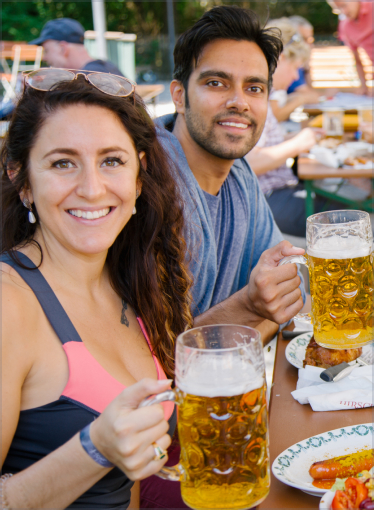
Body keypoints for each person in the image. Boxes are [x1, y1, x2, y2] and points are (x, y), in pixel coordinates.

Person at [0, 69, 193, 508]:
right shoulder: (8, 301)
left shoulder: (133, 280)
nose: (91, 189)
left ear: (139, 177)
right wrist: (94, 448)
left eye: (112, 161)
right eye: (62, 162)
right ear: (23, 179)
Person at [140, 6, 307, 508]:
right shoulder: (147, 191)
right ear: (178, 93)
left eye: (254, 88)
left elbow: (286, 267)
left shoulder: (236, 177)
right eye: (217, 82)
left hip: (240, 416)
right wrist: (254, 309)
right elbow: (153, 369)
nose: (239, 102)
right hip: (170, 456)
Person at [246, 18, 345, 238]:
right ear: (280, 59)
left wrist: (298, 137)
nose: (294, 77)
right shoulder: (256, 99)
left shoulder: (264, 95)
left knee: (354, 210)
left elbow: (265, 143)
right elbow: (250, 163)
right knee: (359, 220)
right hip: (267, 198)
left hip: (279, 191)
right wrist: (297, 143)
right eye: (295, 69)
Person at [266, 18, 319, 122]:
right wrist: (300, 98)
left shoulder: (269, 88)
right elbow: (276, 116)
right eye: (295, 67)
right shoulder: (265, 88)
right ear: (281, 58)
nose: (296, 76)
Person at [30, 18, 124, 76]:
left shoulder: (87, 80)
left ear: (63, 48)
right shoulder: (106, 69)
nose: (44, 57)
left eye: (46, 51)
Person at [328, 1, 373, 96]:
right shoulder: (345, 26)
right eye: (338, 9)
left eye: (344, 6)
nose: (343, 11)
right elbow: (357, 60)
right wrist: (364, 87)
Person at [287, 15, 315, 93]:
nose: (310, 45)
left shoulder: (300, 65)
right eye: (304, 39)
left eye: (310, 40)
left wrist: (307, 68)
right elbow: (307, 95)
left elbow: (309, 92)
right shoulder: (288, 63)